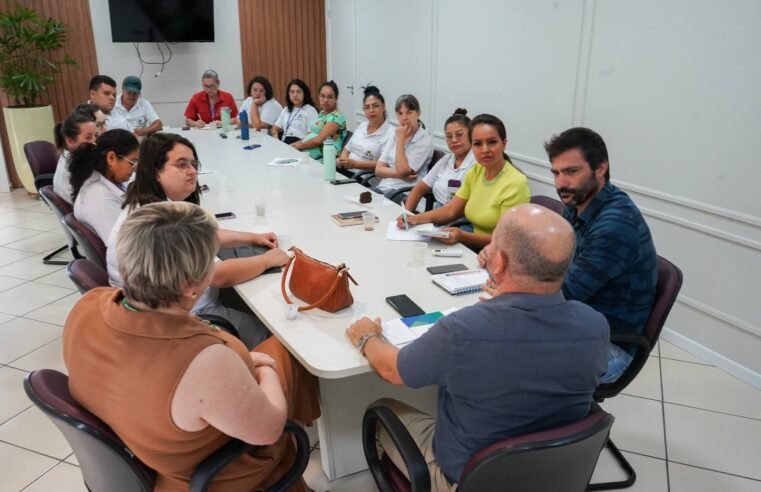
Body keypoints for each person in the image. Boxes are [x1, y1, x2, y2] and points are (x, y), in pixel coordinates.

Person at [346, 204, 609, 490]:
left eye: (492, 246)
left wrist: (366, 337)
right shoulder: (595, 325)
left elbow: (392, 370)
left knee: (382, 407)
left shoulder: (462, 331)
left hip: (470, 478)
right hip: (553, 474)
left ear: (498, 263)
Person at [64, 201, 320, 491]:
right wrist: (266, 367)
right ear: (190, 287)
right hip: (206, 475)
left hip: (142, 444)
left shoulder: (87, 305)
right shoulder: (203, 360)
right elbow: (270, 430)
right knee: (290, 351)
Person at [106, 133, 288, 348]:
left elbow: (206, 234)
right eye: (181, 165)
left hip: (151, 313)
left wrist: (252, 238)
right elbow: (219, 276)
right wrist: (268, 260)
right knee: (280, 334)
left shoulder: (146, 204)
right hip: (186, 319)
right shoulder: (163, 224)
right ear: (155, 171)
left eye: (193, 164)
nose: (192, 171)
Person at [396, 114, 529, 251]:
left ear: (504, 143)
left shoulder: (516, 183)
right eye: (477, 144)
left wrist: (461, 236)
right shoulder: (477, 170)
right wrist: (414, 219)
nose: (484, 150)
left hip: (495, 252)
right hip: (473, 247)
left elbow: (505, 240)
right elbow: (451, 210)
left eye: (492, 142)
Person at [70, 129, 139, 242]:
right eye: (132, 162)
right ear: (111, 158)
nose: (135, 167)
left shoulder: (108, 181)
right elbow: (122, 247)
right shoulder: (101, 197)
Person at [403, 108, 476, 211]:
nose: (454, 140)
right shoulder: (446, 160)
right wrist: (406, 214)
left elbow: (455, 211)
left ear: (471, 135)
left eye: (459, 135)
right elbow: (420, 188)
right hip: (439, 213)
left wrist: (421, 219)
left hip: (459, 220)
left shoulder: (477, 164)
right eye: (449, 136)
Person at [374, 94, 434, 193]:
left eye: (409, 112)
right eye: (400, 113)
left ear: (418, 113)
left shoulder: (425, 140)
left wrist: (400, 140)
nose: (404, 118)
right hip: (384, 187)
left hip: (404, 192)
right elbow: (378, 169)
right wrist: (400, 174)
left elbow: (402, 170)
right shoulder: (395, 134)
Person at [336, 85, 394, 175]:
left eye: (375, 106)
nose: (371, 110)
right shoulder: (362, 126)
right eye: (367, 107)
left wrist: (355, 164)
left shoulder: (391, 133)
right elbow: (347, 149)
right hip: (346, 170)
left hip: (363, 177)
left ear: (383, 107)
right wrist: (343, 161)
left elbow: (385, 164)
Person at [290, 80, 346, 162]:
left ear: (336, 98)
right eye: (322, 96)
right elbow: (311, 135)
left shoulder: (337, 116)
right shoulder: (322, 113)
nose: (325, 100)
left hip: (324, 160)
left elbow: (318, 140)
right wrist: (295, 144)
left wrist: (297, 147)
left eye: (330, 97)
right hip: (308, 156)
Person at [52, 112, 98, 204]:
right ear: (70, 141)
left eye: (95, 136)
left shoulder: (78, 157)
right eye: (88, 137)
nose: (94, 141)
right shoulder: (75, 168)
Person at [269, 79, 318, 144]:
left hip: (300, 144)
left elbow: (311, 136)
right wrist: (277, 140)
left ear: (304, 93)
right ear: (288, 94)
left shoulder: (310, 110)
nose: (295, 95)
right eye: (292, 92)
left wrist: (296, 145)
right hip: (284, 144)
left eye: (298, 92)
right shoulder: (286, 109)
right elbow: (274, 129)